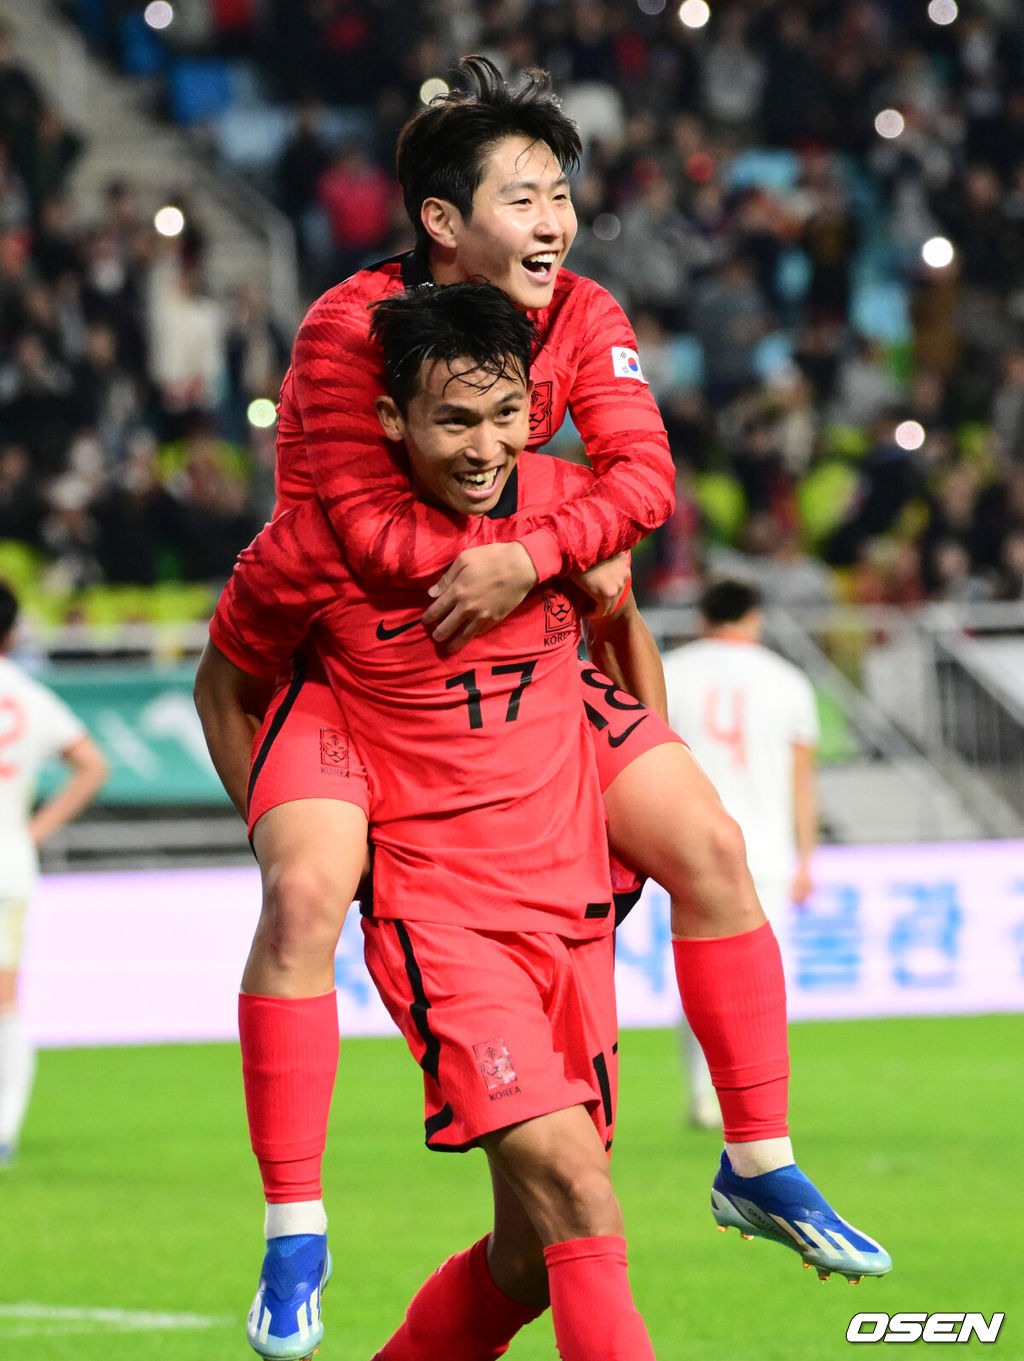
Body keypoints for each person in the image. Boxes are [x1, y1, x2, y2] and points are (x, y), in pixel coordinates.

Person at [196, 55, 890, 1358]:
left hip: (527, 676)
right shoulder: (349, 333)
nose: (556, 221)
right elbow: (361, 529)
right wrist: (547, 534)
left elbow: (647, 481)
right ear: (441, 223)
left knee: (712, 851)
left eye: (562, 194)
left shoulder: (580, 318)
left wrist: (546, 547)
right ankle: (295, 1228)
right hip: (365, 684)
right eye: (524, 195)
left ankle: (760, 1152)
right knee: (304, 895)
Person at [200, 283, 658, 1360]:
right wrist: (281, 829)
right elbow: (224, 690)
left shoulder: (563, 508)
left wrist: (630, 820)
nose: (485, 443)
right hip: (442, 925)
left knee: (530, 1255)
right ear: (391, 422)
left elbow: (626, 666)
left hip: (568, 920)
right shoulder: (315, 551)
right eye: (454, 419)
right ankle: (292, 1220)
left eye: (504, 414)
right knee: (583, 1194)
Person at [661, 579, 819, 1098]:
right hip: (764, 851)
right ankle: (753, 1100)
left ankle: (701, 1094)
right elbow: (802, 779)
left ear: (703, 618)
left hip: (684, 845)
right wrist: (806, 859)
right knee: (758, 983)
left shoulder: (671, 671)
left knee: (696, 975)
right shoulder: (789, 681)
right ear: (755, 618)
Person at [0, 581, 107, 1164]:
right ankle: (4, 1131)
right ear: (13, 632)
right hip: (8, 865)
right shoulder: (27, 695)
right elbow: (92, 765)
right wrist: (34, 831)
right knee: (5, 1005)